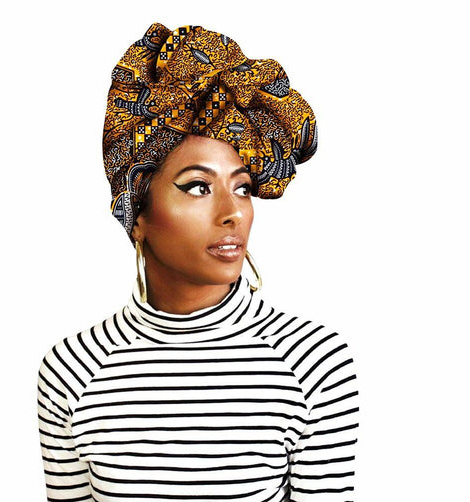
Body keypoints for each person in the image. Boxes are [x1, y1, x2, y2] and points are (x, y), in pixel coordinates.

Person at [37, 22, 359, 501]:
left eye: (242, 188)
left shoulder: (312, 361)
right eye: (198, 186)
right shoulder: (72, 368)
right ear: (136, 212)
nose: (233, 213)